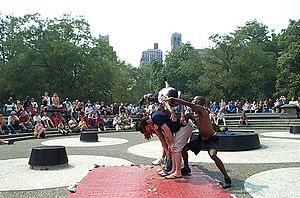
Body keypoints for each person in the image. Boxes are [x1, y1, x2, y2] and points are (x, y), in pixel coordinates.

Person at [165, 96, 231, 188]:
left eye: (194, 100)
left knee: (213, 155)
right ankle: (187, 167)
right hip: (201, 138)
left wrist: (174, 99)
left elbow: (186, 103)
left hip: (211, 138)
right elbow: (181, 116)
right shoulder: (193, 114)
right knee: (183, 149)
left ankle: (227, 178)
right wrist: (171, 111)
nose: (192, 101)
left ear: (198, 103)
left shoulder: (202, 111)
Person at [136, 110, 193, 179]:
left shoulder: (155, 118)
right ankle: (173, 170)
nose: (149, 130)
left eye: (147, 129)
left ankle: (178, 172)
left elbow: (167, 130)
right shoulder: (154, 119)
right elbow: (163, 134)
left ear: (148, 122)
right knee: (172, 149)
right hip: (181, 127)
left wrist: (171, 143)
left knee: (176, 148)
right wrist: (168, 145)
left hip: (185, 125)